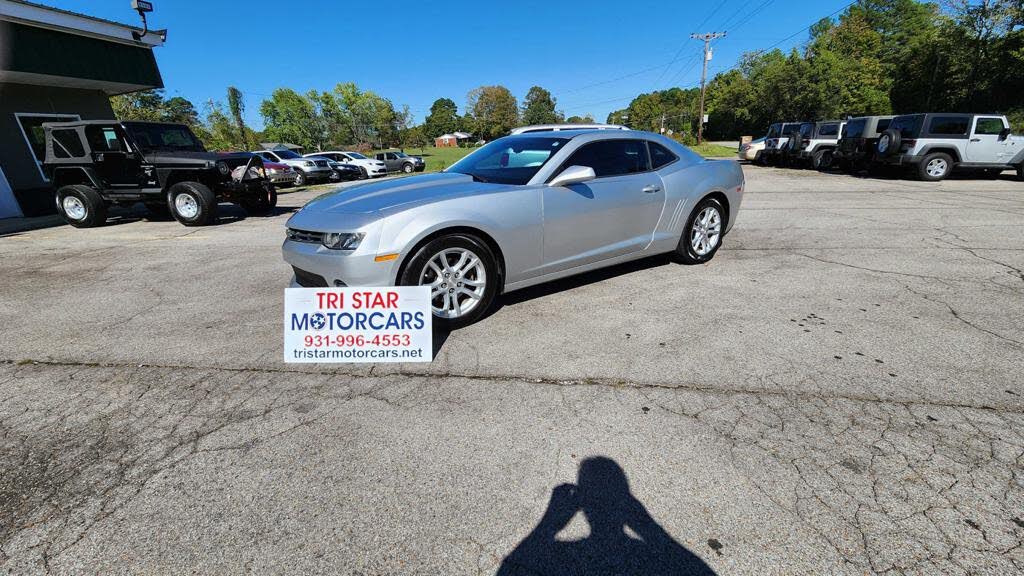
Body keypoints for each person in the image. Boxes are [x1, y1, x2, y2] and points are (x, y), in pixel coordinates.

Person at [497, 457, 716, 575]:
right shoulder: (645, 555)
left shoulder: (561, 555)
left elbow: (511, 569)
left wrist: (549, 522)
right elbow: (693, 568)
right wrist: (645, 524)